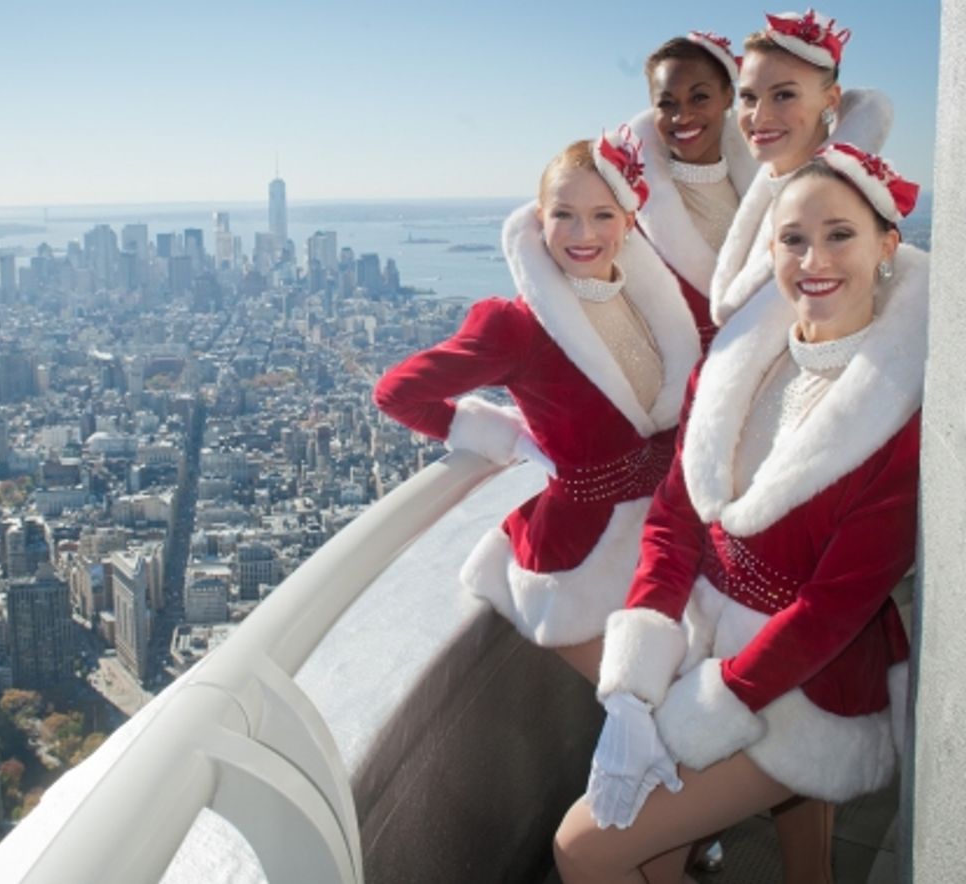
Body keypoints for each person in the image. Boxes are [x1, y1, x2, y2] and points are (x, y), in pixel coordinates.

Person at [552, 145, 924, 884]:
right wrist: (634, 684)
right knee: (650, 863)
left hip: (804, 688)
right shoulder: (732, 363)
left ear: (887, 245)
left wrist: (702, 711)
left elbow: (834, 607)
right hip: (702, 641)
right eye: (792, 238)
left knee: (584, 849)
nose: (812, 258)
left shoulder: (901, 416)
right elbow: (673, 520)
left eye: (840, 234)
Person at [373, 130, 700, 681]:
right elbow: (397, 393)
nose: (583, 234)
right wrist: (483, 428)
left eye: (602, 215)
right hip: (586, 554)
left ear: (628, 221)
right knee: (647, 708)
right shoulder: (517, 327)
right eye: (564, 214)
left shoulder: (652, 302)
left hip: (672, 532)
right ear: (539, 220)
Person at [711, 9, 891, 328]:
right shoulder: (767, 193)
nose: (759, 116)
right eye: (749, 97)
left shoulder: (857, 206)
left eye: (784, 95)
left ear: (831, 100)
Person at [629, 31, 758, 349]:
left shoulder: (772, 183)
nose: (682, 116)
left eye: (699, 97)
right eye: (667, 103)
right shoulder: (628, 203)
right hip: (675, 387)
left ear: (728, 95)